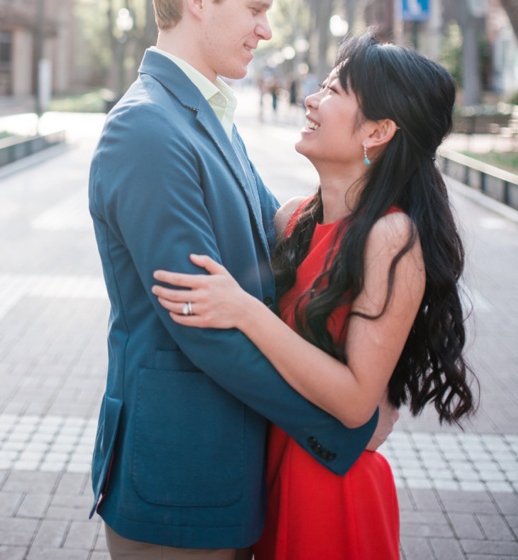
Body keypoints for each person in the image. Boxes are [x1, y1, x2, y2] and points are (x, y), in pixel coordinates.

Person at [87, 0, 383, 559]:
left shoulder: (209, 114)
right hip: (178, 480)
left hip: (231, 468)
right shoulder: (146, 128)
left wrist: (391, 225)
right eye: (254, 8)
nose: (265, 29)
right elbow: (200, 319)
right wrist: (334, 425)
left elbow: (283, 235)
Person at [153, 33, 475, 560]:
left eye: (332, 90)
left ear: (378, 130)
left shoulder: (390, 239)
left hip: (332, 488)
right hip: (273, 472)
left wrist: (246, 313)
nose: (310, 99)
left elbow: (354, 404)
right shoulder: (293, 221)